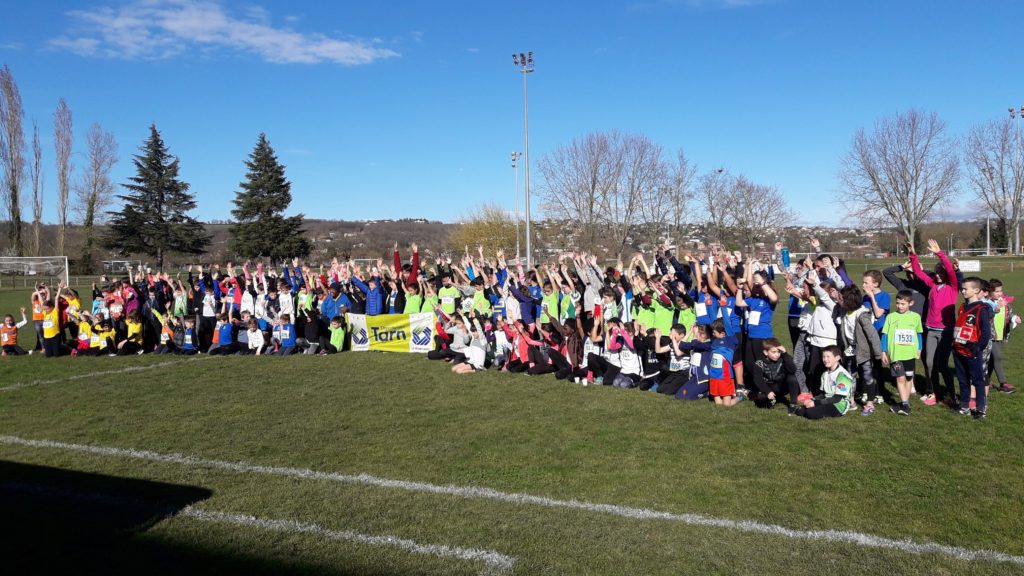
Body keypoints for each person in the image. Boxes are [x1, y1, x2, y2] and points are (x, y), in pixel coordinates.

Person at [910, 239, 958, 406]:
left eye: (941, 273)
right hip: (931, 330)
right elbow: (917, 271)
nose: (937, 275)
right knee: (929, 364)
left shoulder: (952, 287)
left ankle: (952, 395)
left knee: (943, 365)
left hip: (946, 331)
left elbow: (951, 271)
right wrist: (913, 255)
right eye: (937, 273)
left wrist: (940, 253)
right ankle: (935, 393)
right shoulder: (932, 286)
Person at [952, 277, 992, 419]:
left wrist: (977, 347)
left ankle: (981, 409)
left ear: (976, 290)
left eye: (965, 289)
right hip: (958, 349)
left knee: (977, 381)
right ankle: (964, 406)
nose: (962, 291)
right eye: (962, 288)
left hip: (972, 351)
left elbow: (986, 333)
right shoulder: (962, 307)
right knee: (963, 380)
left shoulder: (982, 309)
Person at [881, 290, 923, 416]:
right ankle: (905, 404)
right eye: (898, 303)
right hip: (896, 354)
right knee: (900, 378)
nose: (899, 306)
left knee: (909, 378)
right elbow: (885, 335)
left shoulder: (916, 317)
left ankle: (905, 403)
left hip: (910, 354)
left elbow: (918, 334)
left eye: (903, 304)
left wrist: (919, 348)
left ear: (911, 303)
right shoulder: (891, 317)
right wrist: (884, 351)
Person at [794, 345, 854, 419]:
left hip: (838, 405)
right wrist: (812, 400)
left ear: (837, 358)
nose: (825, 359)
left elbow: (837, 399)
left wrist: (815, 403)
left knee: (810, 413)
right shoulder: (825, 373)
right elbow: (823, 394)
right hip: (827, 401)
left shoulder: (843, 375)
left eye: (828, 357)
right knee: (801, 410)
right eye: (823, 357)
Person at [748, 338, 800, 411]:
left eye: (779, 352)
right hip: (768, 387)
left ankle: (793, 404)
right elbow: (758, 380)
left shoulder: (783, 358)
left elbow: (793, 370)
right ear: (766, 352)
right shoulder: (759, 363)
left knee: (792, 377)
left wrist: (785, 353)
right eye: (773, 352)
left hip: (781, 386)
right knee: (760, 400)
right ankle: (772, 400)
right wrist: (768, 391)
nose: (777, 355)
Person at [986, 279, 1016, 394]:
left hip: (999, 335)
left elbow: (1008, 313)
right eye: (997, 291)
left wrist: (1014, 318)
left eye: (1001, 290)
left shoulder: (1001, 301)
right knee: (997, 357)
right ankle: (1003, 384)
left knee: (992, 359)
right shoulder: (986, 302)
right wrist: (997, 308)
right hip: (990, 336)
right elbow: (988, 315)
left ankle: (986, 381)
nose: (1000, 293)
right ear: (989, 291)